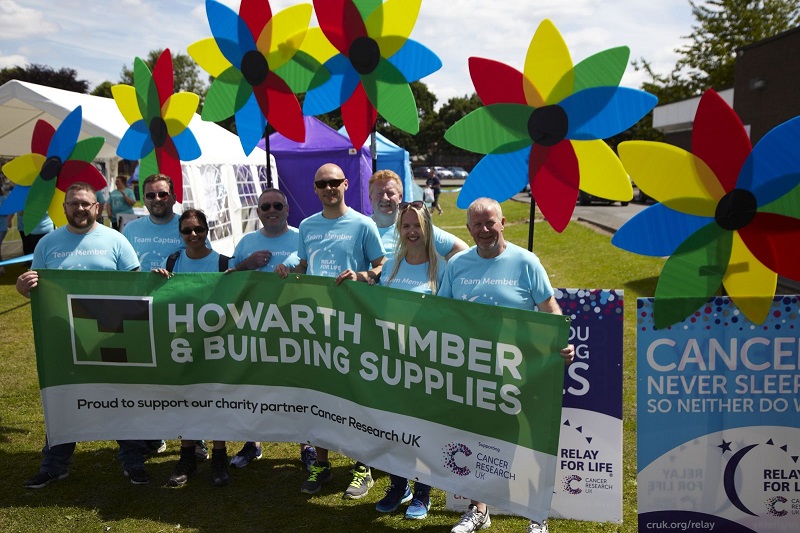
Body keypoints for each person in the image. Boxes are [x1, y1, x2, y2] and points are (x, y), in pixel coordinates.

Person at [440, 198, 575, 533]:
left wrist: (561, 342)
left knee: (531, 444)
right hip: (477, 374)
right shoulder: (457, 266)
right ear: (468, 228)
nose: (485, 231)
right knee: (480, 442)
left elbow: (550, 309)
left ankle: (536, 516)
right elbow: (441, 315)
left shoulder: (526, 262)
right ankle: (479, 510)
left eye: (490, 223)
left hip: (526, 372)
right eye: (477, 225)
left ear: (503, 222)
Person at [15, 182, 151, 488]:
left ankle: (133, 460)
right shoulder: (48, 244)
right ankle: (55, 463)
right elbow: (38, 289)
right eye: (74, 203)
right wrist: (23, 288)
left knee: (120, 397)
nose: (80, 209)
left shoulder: (116, 241)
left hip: (112, 336)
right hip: (64, 337)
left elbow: (135, 287)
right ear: (64, 208)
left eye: (86, 204)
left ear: (98, 208)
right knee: (63, 398)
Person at [275, 163, 385, 499]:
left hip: (353, 325)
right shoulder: (307, 226)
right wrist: (289, 268)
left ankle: (362, 466)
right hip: (316, 326)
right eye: (321, 183)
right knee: (318, 396)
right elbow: (306, 264)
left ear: (346, 184)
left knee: (356, 395)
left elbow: (381, 267)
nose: (328, 188)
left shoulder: (363, 224)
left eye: (334, 182)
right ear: (315, 188)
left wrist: (361, 276)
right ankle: (321, 465)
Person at [122, 173, 208, 460]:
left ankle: (195, 439)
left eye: (162, 194)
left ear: (172, 196)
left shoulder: (188, 224)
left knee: (187, 378)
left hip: (183, 314)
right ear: (143, 198)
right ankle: (152, 435)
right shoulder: (131, 230)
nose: (157, 200)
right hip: (142, 313)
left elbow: (206, 259)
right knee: (146, 377)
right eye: (150, 195)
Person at [372, 201, 445, 520]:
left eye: (417, 225)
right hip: (394, 363)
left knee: (423, 431)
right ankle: (398, 485)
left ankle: (423, 492)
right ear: (399, 230)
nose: (412, 231)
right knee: (394, 429)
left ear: (427, 228)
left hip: (428, 365)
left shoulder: (442, 267)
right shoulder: (391, 266)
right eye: (406, 226)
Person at [152, 208, 232, 487]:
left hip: (216, 343)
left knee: (216, 399)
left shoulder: (223, 262)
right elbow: (162, 299)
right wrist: (158, 281)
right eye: (187, 230)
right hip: (183, 343)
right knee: (186, 398)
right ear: (180, 233)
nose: (193, 235)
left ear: (207, 230)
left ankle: (220, 456)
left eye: (198, 229)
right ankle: (187, 456)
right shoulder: (172, 261)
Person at [226, 187, 300, 468]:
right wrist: (247, 264)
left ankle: (305, 444)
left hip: (294, 327)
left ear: (287, 210)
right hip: (254, 327)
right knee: (253, 387)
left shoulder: (299, 239)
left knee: (299, 386)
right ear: (257, 212)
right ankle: (251, 443)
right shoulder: (246, 242)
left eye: (277, 207)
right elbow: (228, 278)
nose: (271, 212)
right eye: (265, 207)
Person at [369, 170, 467, 261]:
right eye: (379, 193)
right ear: (370, 198)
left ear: (400, 197)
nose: (385, 198)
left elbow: (461, 249)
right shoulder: (361, 227)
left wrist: (442, 272)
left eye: (390, 193)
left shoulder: (415, 227)